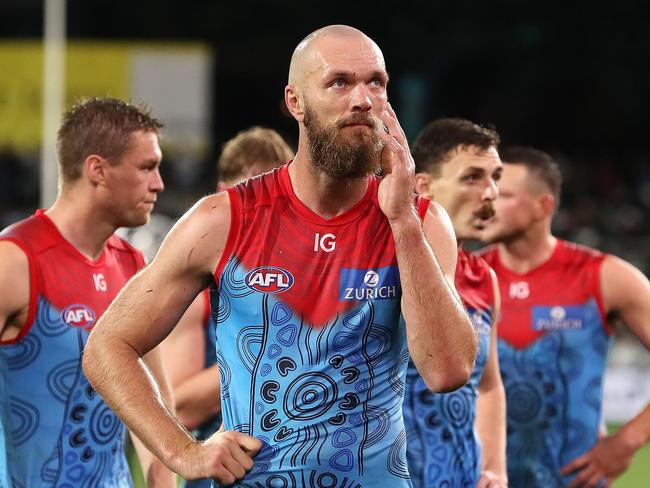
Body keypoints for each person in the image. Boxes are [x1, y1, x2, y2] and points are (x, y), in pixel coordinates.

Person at [82, 24, 478, 487]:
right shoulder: (223, 220)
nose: (363, 100)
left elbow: (447, 371)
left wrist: (402, 221)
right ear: (295, 102)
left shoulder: (421, 222)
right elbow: (107, 346)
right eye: (339, 82)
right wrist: (181, 450)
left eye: (376, 82)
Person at [0, 97, 175, 487]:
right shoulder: (14, 262)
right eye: (146, 167)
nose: (158, 183)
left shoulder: (132, 265)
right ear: (97, 170)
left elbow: (155, 406)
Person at [479, 146, 650, 487]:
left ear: (544, 206)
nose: (489, 202)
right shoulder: (465, 276)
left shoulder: (605, 276)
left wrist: (627, 441)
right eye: (488, 191)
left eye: (505, 194)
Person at [161, 126, 293, 488]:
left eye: (278, 196)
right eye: (251, 191)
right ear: (223, 193)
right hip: (220, 476)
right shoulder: (198, 286)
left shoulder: (309, 281)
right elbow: (179, 405)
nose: (266, 208)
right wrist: (283, 357)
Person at [403, 118, 508, 487]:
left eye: (495, 177)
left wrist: (494, 468)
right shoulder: (383, 262)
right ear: (423, 186)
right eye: (472, 177)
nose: (491, 192)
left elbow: (488, 385)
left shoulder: (484, 278)